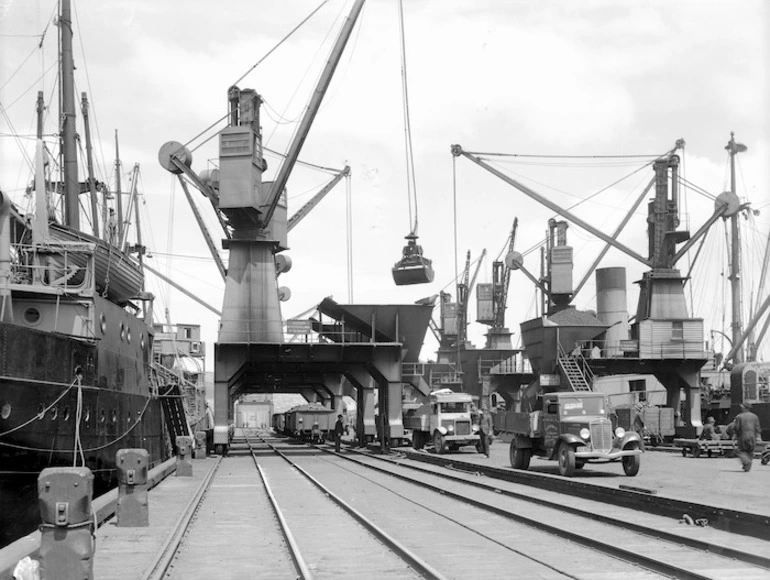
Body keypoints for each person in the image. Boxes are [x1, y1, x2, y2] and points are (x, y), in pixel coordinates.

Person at [733, 403, 761, 472]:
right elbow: (757, 428)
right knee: (750, 451)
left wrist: (735, 436)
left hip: (743, 436)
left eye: (742, 407)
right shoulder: (755, 416)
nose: (741, 408)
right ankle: (747, 467)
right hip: (752, 436)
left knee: (740, 451)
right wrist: (758, 436)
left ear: (745, 408)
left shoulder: (739, 416)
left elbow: (736, 427)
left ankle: (746, 462)